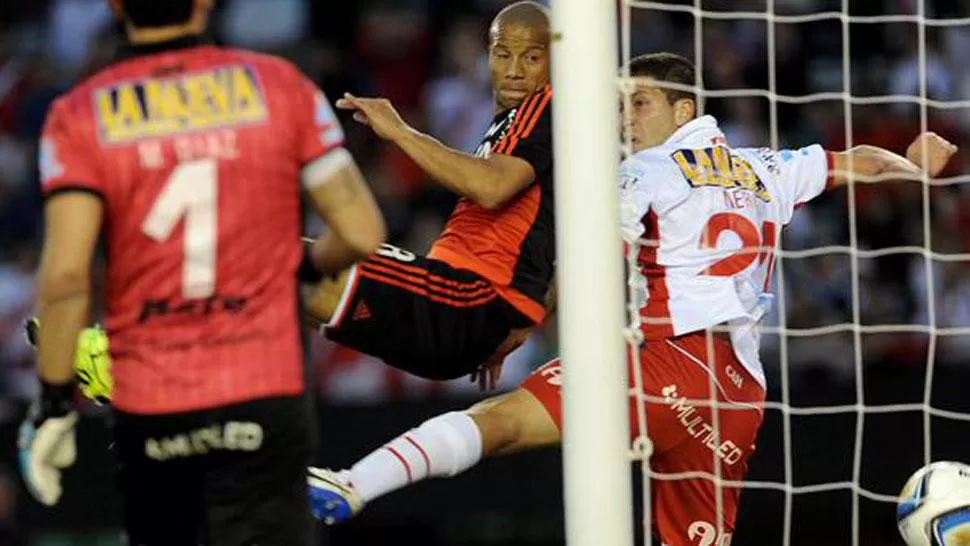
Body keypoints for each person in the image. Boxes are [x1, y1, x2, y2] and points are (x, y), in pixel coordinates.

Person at [306, 53, 958, 544]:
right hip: (738, 394)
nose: (625, 118)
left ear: (683, 110)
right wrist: (911, 165)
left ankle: (355, 483)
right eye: (622, 106)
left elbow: (589, 266)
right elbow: (856, 164)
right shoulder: (767, 165)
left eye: (639, 103)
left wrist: (514, 329)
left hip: (666, 364)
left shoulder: (641, 171)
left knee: (502, 423)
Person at [17, 0, 386, 544]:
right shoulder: (282, 87)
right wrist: (295, 266)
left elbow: (66, 278)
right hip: (262, 389)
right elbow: (360, 232)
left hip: (156, 398)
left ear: (117, 7)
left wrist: (51, 406)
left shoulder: (78, 114)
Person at [300, 0, 555, 385]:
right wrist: (520, 323)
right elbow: (570, 237)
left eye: (532, 57)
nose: (515, 71)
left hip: (464, 300)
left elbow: (491, 187)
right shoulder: (517, 123)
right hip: (468, 319)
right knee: (280, 282)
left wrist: (400, 131)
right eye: (503, 55)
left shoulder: (546, 108)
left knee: (281, 261)